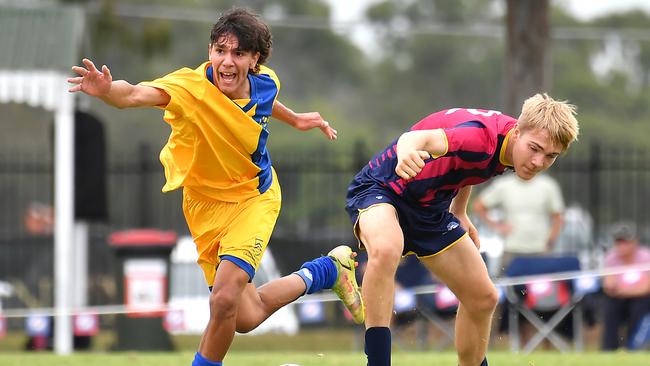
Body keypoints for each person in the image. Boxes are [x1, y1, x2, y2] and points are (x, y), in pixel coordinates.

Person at [68, 8, 364, 366]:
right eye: (220, 50)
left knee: (222, 301)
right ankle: (329, 270)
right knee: (244, 316)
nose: (227, 61)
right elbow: (132, 94)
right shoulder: (190, 88)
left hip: (253, 198)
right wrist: (106, 92)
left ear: (254, 59)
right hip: (203, 207)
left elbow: (266, 101)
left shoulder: (266, 81)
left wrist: (297, 119)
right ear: (210, 50)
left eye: (238, 53)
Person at [345, 94, 579, 366]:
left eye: (550, 156)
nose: (539, 162)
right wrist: (407, 152)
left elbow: (468, 167)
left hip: (430, 210)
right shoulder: (479, 138)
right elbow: (417, 140)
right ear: (517, 131)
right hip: (382, 189)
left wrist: (459, 212)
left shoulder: (508, 149)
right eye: (535, 148)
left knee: (483, 298)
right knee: (387, 248)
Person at [473, 172, 565, 274]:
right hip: (512, 251)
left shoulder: (548, 185)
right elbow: (479, 205)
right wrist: (497, 226)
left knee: (541, 289)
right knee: (509, 288)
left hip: (541, 251)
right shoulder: (504, 185)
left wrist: (550, 242)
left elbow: (558, 217)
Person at [601, 221, 650, 351]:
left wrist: (623, 290)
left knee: (639, 307)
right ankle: (608, 349)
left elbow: (646, 288)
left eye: (625, 242)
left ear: (635, 242)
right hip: (619, 298)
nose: (622, 246)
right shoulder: (611, 258)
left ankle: (634, 347)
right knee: (610, 307)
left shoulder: (646, 257)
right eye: (619, 242)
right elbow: (608, 285)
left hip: (641, 298)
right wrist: (616, 289)